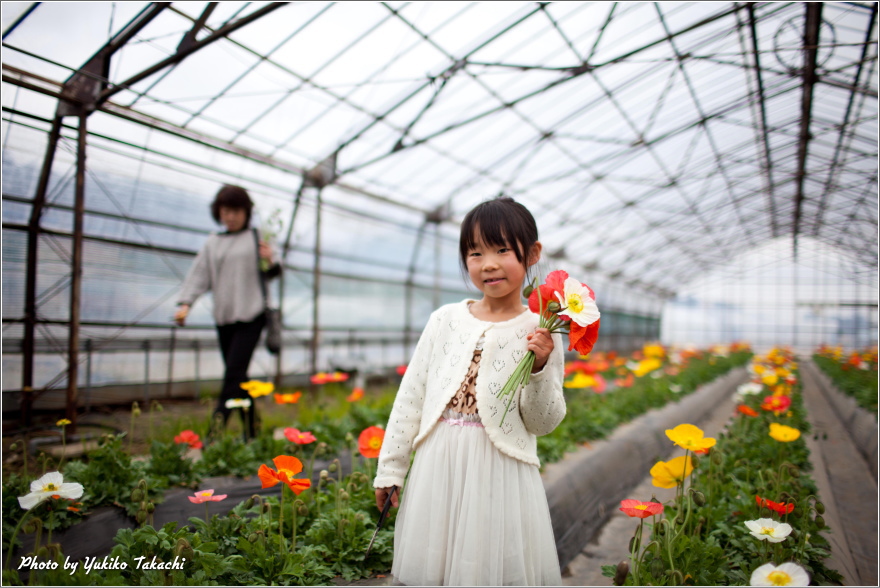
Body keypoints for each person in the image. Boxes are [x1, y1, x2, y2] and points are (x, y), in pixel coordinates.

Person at [373, 197, 565, 586]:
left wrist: (541, 368)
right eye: (475, 253)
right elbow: (410, 397)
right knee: (436, 562)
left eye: (501, 250)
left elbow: (543, 422)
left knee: (486, 564)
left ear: (532, 254)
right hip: (437, 462)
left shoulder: (542, 329)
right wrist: (390, 468)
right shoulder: (445, 320)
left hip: (499, 467)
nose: (488, 263)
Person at [174, 185, 281, 439]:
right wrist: (185, 304)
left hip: (252, 316)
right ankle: (253, 434)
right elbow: (199, 275)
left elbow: (273, 273)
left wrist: (271, 259)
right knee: (240, 379)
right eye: (225, 211)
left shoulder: (258, 237)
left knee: (232, 376)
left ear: (246, 212)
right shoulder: (213, 242)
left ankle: (212, 437)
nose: (230, 216)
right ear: (218, 212)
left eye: (235, 211)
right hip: (224, 319)